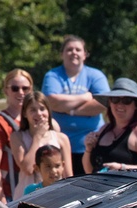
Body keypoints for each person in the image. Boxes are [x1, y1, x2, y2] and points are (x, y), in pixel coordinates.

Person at [42, 35, 110, 176]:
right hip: (58, 149)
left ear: (85, 54)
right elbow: (52, 101)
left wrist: (67, 109)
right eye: (69, 49)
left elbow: (102, 104)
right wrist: (85, 97)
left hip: (92, 146)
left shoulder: (95, 75)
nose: (74, 52)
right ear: (62, 54)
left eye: (78, 49)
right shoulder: (53, 75)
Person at [83, 78, 137, 173]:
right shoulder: (104, 129)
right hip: (99, 186)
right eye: (115, 99)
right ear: (110, 103)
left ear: (135, 105)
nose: (120, 105)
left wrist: (122, 168)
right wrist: (88, 149)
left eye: (127, 100)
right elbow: (89, 171)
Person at [0, 69, 33, 202]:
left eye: (25, 88)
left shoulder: (37, 119)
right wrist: (0, 199)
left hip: (34, 190)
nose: (21, 92)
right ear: (6, 91)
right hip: (9, 193)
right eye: (15, 88)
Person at [10, 92, 72, 199]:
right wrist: (37, 137)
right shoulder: (17, 137)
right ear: (25, 113)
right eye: (33, 110)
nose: (39, 113)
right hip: (27, 195)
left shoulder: (61, 138)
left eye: (42, 109)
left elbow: (68, 175)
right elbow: (28, 169)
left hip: (56, 196)